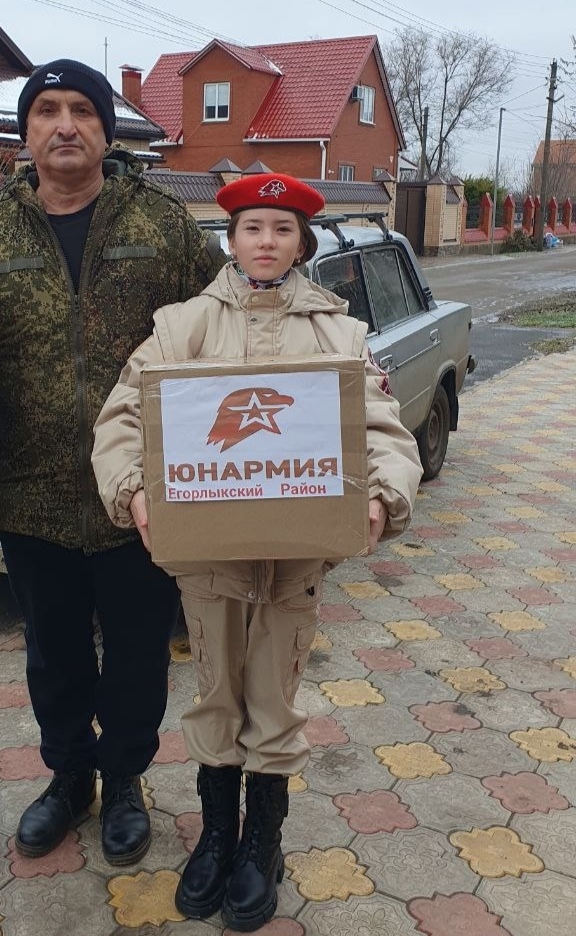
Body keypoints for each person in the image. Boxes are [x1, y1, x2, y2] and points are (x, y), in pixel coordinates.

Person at [91, 173, 422, 930]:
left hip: (295, 562)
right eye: (252, 227)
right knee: (215, 694)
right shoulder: (181, 327)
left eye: (281, 228)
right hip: (208, 559)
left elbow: (381, 428)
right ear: (231, 240)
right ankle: (216, 836)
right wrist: (134, 491)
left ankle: (262, 841)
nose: (266, 241)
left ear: (301, 243)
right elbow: (122, 420)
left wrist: (382, 495)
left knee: (274, 698)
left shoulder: (340, 334)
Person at [0, 59, 226, 865]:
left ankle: (126, 781)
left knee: (139, 653)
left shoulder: (163, 224)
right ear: (25, 131)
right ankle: (70, 776)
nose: (65, 125)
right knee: (54, 653)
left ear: (107, 130)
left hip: (141, 493)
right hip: (30, 489)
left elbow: (228, 321)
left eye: (82, 110)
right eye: (47, 110)